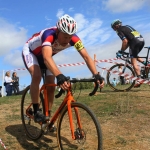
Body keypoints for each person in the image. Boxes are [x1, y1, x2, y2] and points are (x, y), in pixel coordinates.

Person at [22, 14, 104, 123]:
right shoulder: (49, 35)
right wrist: (59, 75)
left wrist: (96, 74)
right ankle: (36, 111)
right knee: (37, 76)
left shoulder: (74, 39)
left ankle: (47, 117)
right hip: (31, 53)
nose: (67, 39)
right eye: (65, 36)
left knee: (51, 87)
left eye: (70, 36)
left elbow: (86, 57)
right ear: (58, 32)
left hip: (47, 57)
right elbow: (46, 58)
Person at [111, 19, 145, 88]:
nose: (113, 29)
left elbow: (125, 41)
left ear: (116, 26)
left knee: (133, 62)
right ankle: (146, 63)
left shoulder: (119, 30)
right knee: (134, 56)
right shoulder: (127, 26)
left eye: (113, 27)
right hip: (141, 40)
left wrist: (121, 51)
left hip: (134, 42)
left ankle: (139, 79)